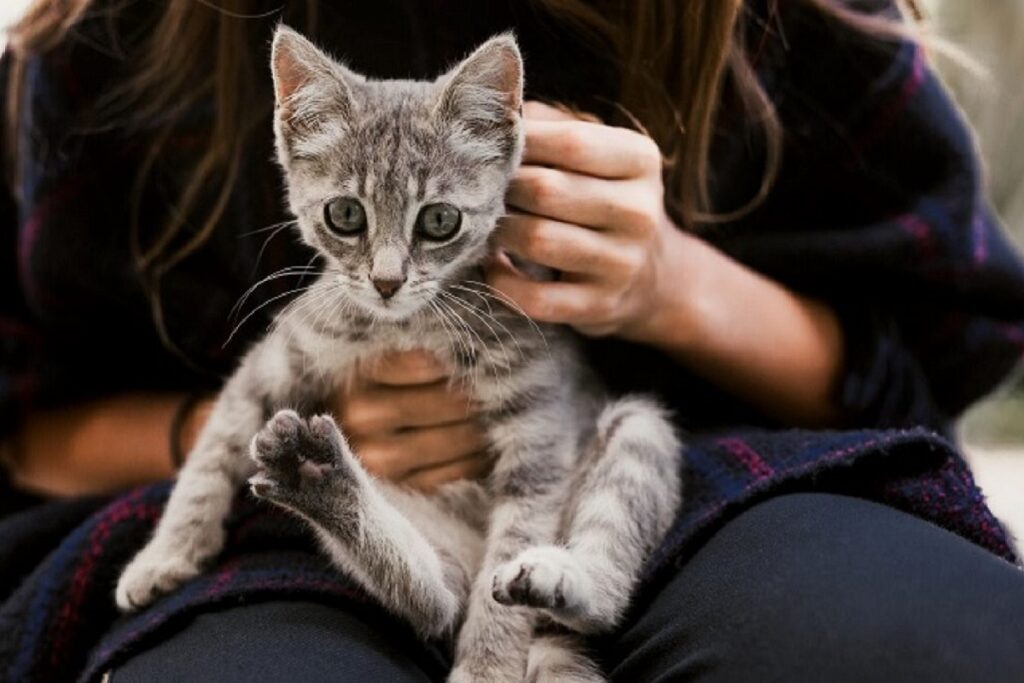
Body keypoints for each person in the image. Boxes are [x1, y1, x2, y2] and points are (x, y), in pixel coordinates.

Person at [1, 0, 1023, 680]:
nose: (393, 270)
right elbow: (23, 425)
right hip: (274, 539)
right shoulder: (111, 36)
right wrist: (284, 433)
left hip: (703, 483)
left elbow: (937, 350)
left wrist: (669, 281)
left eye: (433, 227)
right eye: (354, 224)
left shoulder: (770, 25)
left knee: (940, 646)